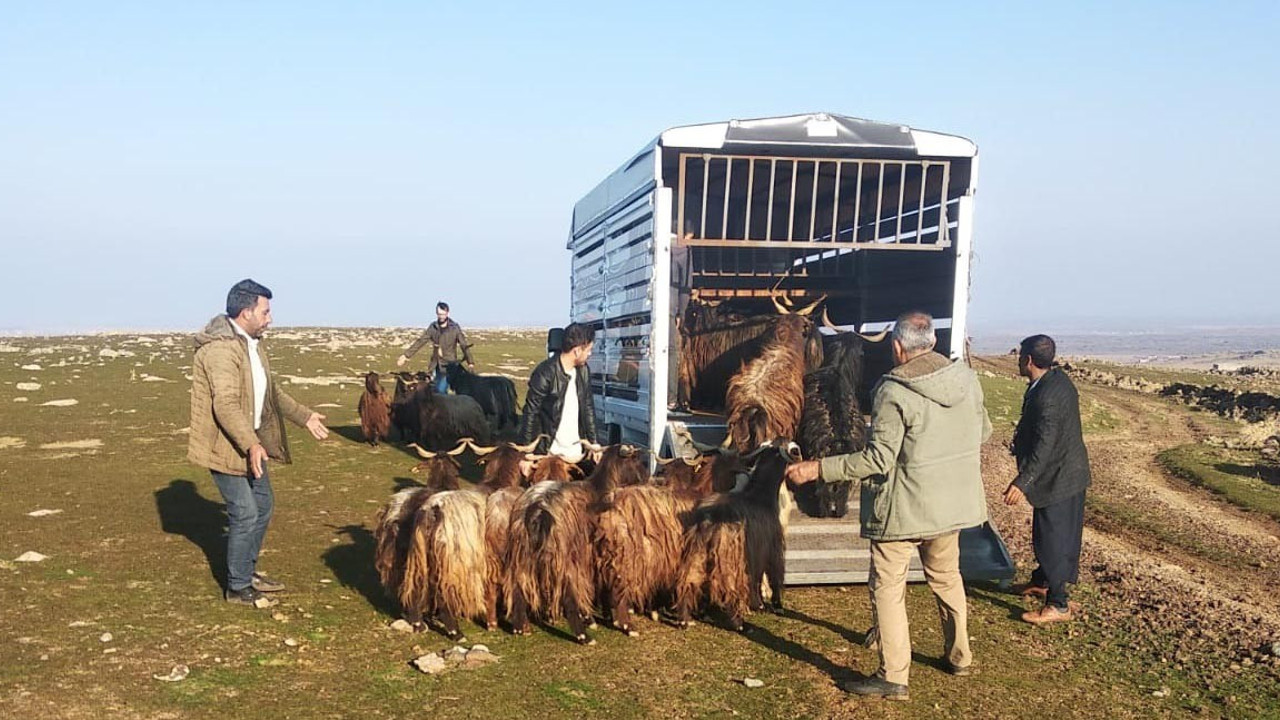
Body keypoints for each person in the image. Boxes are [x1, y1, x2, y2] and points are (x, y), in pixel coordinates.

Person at [785, 311, 991, 701]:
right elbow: (983, 431)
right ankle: (960, 656)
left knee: (888, 586)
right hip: (953, 506)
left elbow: (877, 460)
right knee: (947, 578)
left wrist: (818, 468)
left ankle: (893, 675)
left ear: (897, 347)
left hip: (904, 509)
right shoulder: (966, 379)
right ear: (929, 342)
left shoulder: (893, 391)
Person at [187, 279, 330, 606]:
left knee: (263, 506)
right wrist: (251, 444)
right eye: (265, 311)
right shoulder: (220, 351)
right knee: (245, 512)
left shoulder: (252, 345)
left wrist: (304, 417)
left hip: (253, 446)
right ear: (246, 311)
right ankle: (237, 587)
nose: (270, 318)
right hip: (226, 447)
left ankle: (246, 571)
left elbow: (270, 393)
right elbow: (225, 404)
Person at [1003, 334, 1091, 624]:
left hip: (1058, 477)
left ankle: (1058, 604)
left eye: (1019, 356)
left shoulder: (1048, 396)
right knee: (1061, 535)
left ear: (1028, 360)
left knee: (1052, 539)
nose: (1017, 360)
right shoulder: (1057, 381)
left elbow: (1045, 445)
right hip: (1070, 471)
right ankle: (1041, 582)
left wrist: (1021, 482)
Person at [519, 322, 598, 462]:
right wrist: (526, 454)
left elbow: (588, 408)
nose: (590, 354)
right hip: (549, 454)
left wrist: (594, 444)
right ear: (577, 351)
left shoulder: (584, 371)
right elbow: (530, 413)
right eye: (589, 350)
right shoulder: (544, 373)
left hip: (576, 455)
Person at [396, 301, 475, 393]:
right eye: (439, 314)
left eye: (442, 314)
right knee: (431, 391)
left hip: (449, 367)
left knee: (440, 390)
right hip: (435, 365)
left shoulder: (454, 328)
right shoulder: (433, 327)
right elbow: (421, 341)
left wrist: (470, 362)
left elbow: (463, 344)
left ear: (447, 313)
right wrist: (406, 356)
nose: (441, 316)